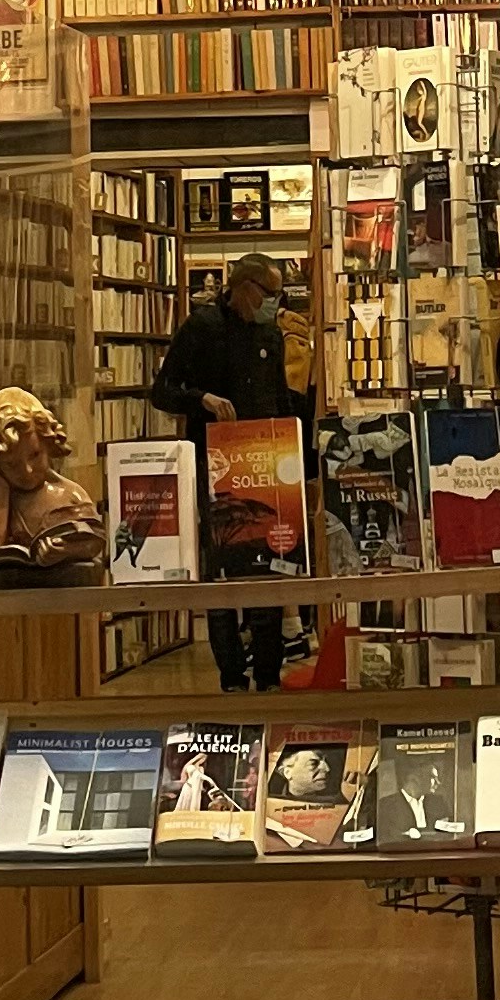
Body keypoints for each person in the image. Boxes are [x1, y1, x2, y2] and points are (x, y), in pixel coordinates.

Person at [150, 250, 297, 692]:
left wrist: (297, 458)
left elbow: (281, 399)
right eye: (269, 293)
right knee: (221, 571)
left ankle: (269, 674)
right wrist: (202, 399)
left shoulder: (271, 333)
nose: (275, 302)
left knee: (271, 568)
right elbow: (162, 391)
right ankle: (231, 674)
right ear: (244, 287)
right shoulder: (202, 327)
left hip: (266, 462)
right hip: (213, 464)